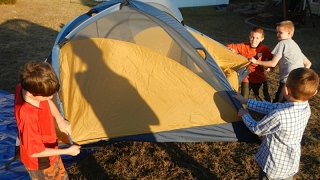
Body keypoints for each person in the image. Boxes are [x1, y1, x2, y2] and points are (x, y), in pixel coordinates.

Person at [232, 67, 319, 180]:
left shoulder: (279, 116)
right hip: (290, 164)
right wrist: (246, 101)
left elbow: (256, 128)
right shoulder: (305, 108)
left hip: (273, 166)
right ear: (314, 93)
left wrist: (244, 114)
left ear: (286, 90)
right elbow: (272, 107)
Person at [14, 61, 81, 179]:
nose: (50, 98)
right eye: (47, 96)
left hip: (50, 150)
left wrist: (60, 119)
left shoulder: (24, 87)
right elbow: (34, 152)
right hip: (41, 162)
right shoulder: (28, 116)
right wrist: (67, 151)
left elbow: (46, 101)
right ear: (30, 93)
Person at [250, 20, 312, 102]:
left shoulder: (282, 44)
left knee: (278, 102)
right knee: (289, 102)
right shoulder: (294, 45)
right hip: (298, 80)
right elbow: (308, 63)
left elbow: (273, 62)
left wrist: (256, 61)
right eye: (277, 32)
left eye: (280, 32)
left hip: (287, 80)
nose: (277, 34)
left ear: (289, 33)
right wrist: (302, 76)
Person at [227, 27, 273, 102]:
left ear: (262, 39)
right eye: (252, 37)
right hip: (245, 77)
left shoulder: (264, 49)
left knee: (262, 98)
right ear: (249, 36)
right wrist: (231, 50)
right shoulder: (243, 46)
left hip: (258, 77)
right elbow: (229, 46)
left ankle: (266, 112)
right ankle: (244, 111)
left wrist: (271, 67)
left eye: (257, 38)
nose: (254, 40)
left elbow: (272, 59)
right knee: (243, 98)